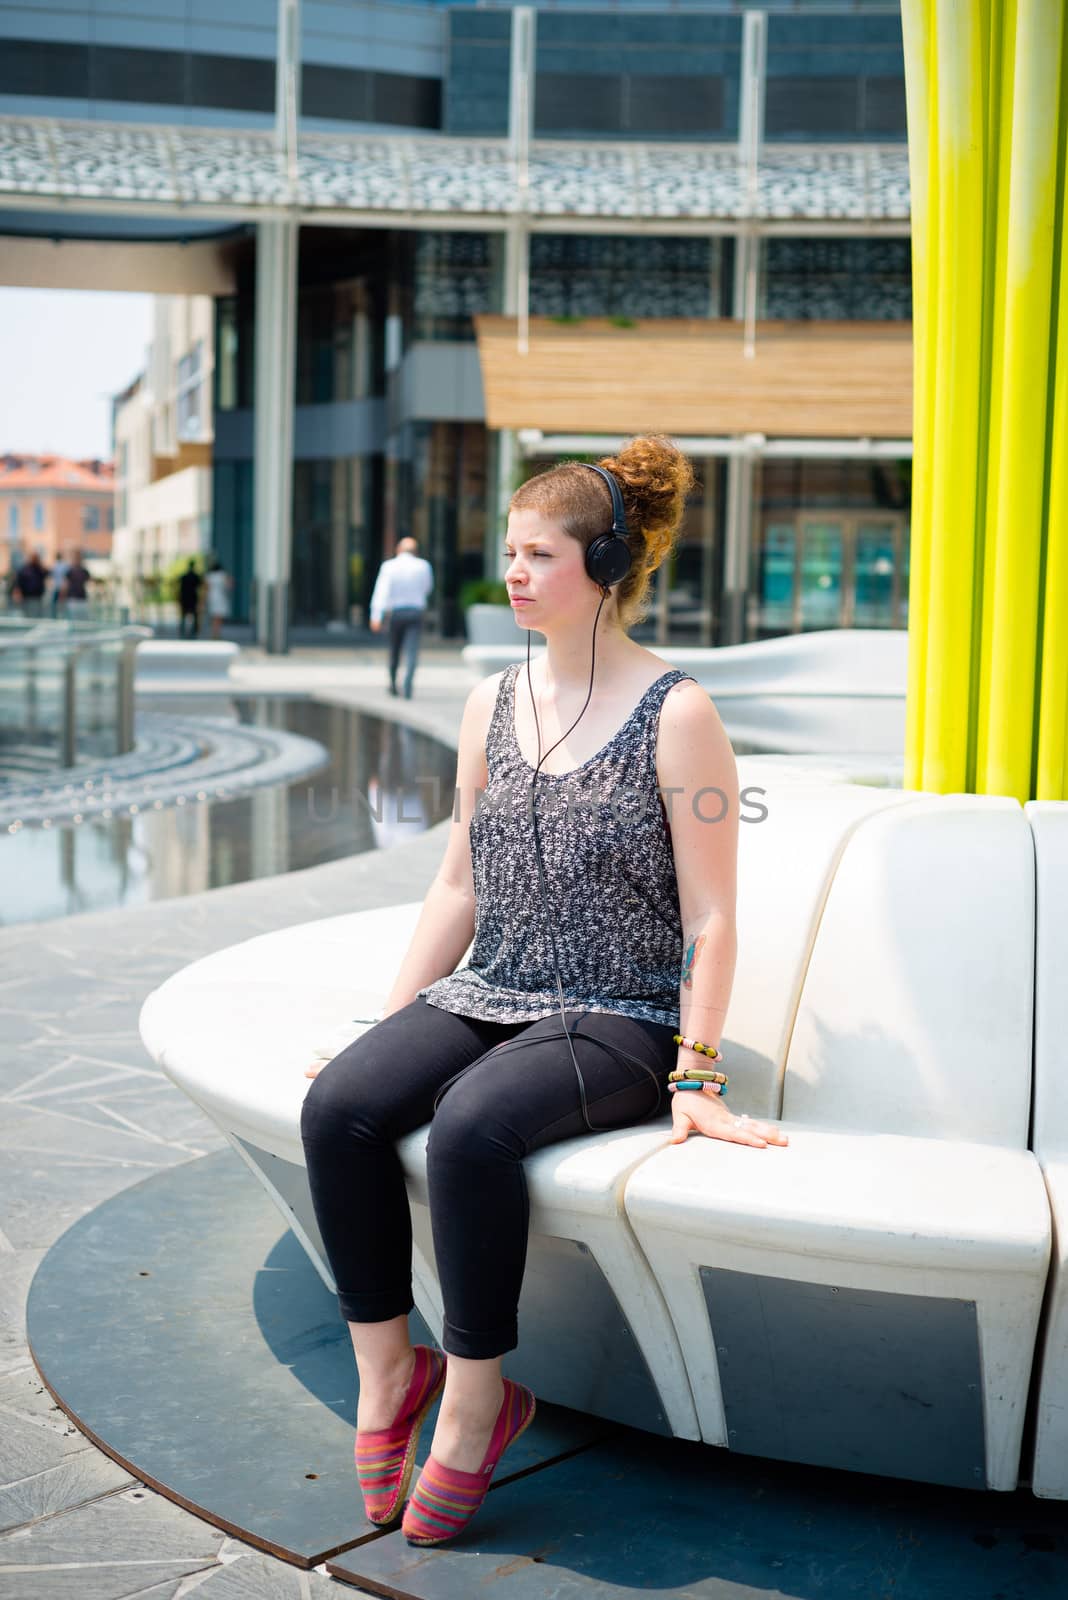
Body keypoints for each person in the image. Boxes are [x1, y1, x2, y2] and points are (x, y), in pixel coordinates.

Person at [300, 435, 788, 1548]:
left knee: (473, 1128)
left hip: (620, 1013)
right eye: (509, 552)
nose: (512, 574)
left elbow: (713, 917)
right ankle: (388, 1375)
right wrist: (388, 1029)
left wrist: (697, 1075)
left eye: (538, 554)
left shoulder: (678, 714)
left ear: (605, 563)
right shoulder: (490, 704)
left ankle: (478, 1404)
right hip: (495, 984)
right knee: (341, 1106)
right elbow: (459, 880)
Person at [367, 536, 434, 698]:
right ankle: (408, 684)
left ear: (398, 550)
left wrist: (376, 615)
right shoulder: (423, 566)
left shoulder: (389, 566)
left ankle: (392, 683)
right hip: (416, 612)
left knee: (394, 649)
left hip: (396, 613)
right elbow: (428, 587)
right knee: (412, 650)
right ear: (415, 551)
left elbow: (381, 591)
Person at [12, 550, 48, 618]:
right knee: (27, 616)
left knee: (36, 616)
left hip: (37, 597)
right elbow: (19, 582)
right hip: (27, 597)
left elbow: (46, 573)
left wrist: (40, 564)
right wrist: (17, 593)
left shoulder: (39, 569)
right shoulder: (25, 569)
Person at [60, 548, 92, 621]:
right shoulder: (70, 571)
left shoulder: (84, 571)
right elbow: (65, 585)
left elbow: (89, 583)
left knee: (81, 620)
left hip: (82, 598)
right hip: (73, 598)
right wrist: (62, 597)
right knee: (73, 619)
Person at [204, 559, 233, 641]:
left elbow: (206, 588)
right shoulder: (223, 575)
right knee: (219, 616)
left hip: (212, 597)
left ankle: (214, 633)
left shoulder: (209, 576)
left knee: (214, 616)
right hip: (221, 597)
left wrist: (204, 599)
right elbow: (230, 586)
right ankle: (217, 632)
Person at [177, 560, 202, 639]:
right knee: (194, 615)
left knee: (183, 615)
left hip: (184, 597)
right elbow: (200, 587)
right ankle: (193, 631)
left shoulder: (184, 576)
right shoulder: (196, 576)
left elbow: (179, 587)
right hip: (193, 597)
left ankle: (182, 630)